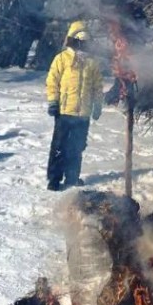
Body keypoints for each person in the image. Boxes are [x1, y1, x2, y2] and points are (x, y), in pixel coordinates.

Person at [45, 20, 104, 191]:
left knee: (77, 147)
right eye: (80, 43)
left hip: (83, 113)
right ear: (73, 41)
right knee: (59, 146)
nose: (83, 47)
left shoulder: (92, 63)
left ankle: (72, 177)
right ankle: (54, 179)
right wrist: (53, 101)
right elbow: (52, 81)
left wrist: (97, 105)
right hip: (64, 111)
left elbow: (97, 86)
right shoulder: (62, 59)